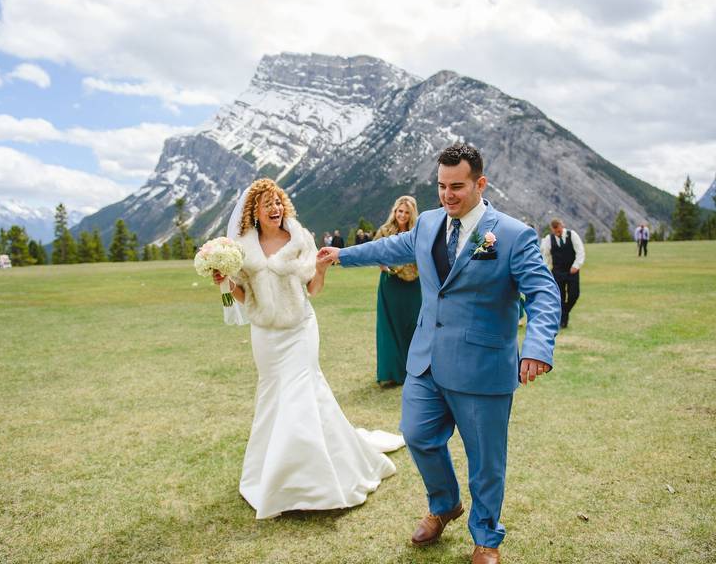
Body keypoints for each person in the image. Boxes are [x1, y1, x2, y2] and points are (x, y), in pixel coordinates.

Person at [318, 143, 560, 564]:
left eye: (457, 187)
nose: (447, 195)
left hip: (483, 367)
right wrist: (342, 255)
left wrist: (537, 347)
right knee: (417, 435)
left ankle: (486, 538)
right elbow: (391, 249)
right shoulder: (429, 222)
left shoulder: (512, 234)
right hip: (426, 360)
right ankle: (445, 503)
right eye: (441, 186)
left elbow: (543, 293)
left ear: (480, 184)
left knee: (485, 462)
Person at [213, 178, 404, 519]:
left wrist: (320, 268)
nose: (275, 208)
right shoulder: (241, 247)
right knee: (273, 397)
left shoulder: (299, 238)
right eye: (267, 203)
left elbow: (313, 290)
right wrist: (226, 280)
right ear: (253, 211)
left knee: (301, 394)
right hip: (266, 335)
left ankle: (318, 484)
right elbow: (243, 297)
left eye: (278, 202)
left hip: (300, 330)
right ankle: (272, 477)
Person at [372, 196, 421, 386]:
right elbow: (374, 252)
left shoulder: (417, 232)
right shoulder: (384, 231)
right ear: (395, 211)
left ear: (411, 214)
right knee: (389, 328)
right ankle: (391, 372)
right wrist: (385, 266)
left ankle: (413, 370)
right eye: (400, 211)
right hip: (390, 284)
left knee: (412, 326)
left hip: (413, 285)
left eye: (406, 212)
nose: (402, 215)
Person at [539, 218, 585, 329]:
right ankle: (563, 322)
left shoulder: (572, 235)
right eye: (554, 229)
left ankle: (564, 314)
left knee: (574, 295)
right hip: (557, 272)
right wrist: (547, 270)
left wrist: (576, 265)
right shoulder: (548, 239)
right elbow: (546, 256)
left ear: (561, 225)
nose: (557, 231)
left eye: (558, 228)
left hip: (572, 271)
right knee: (560, 297)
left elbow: (580, 251)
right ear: (552, 229)